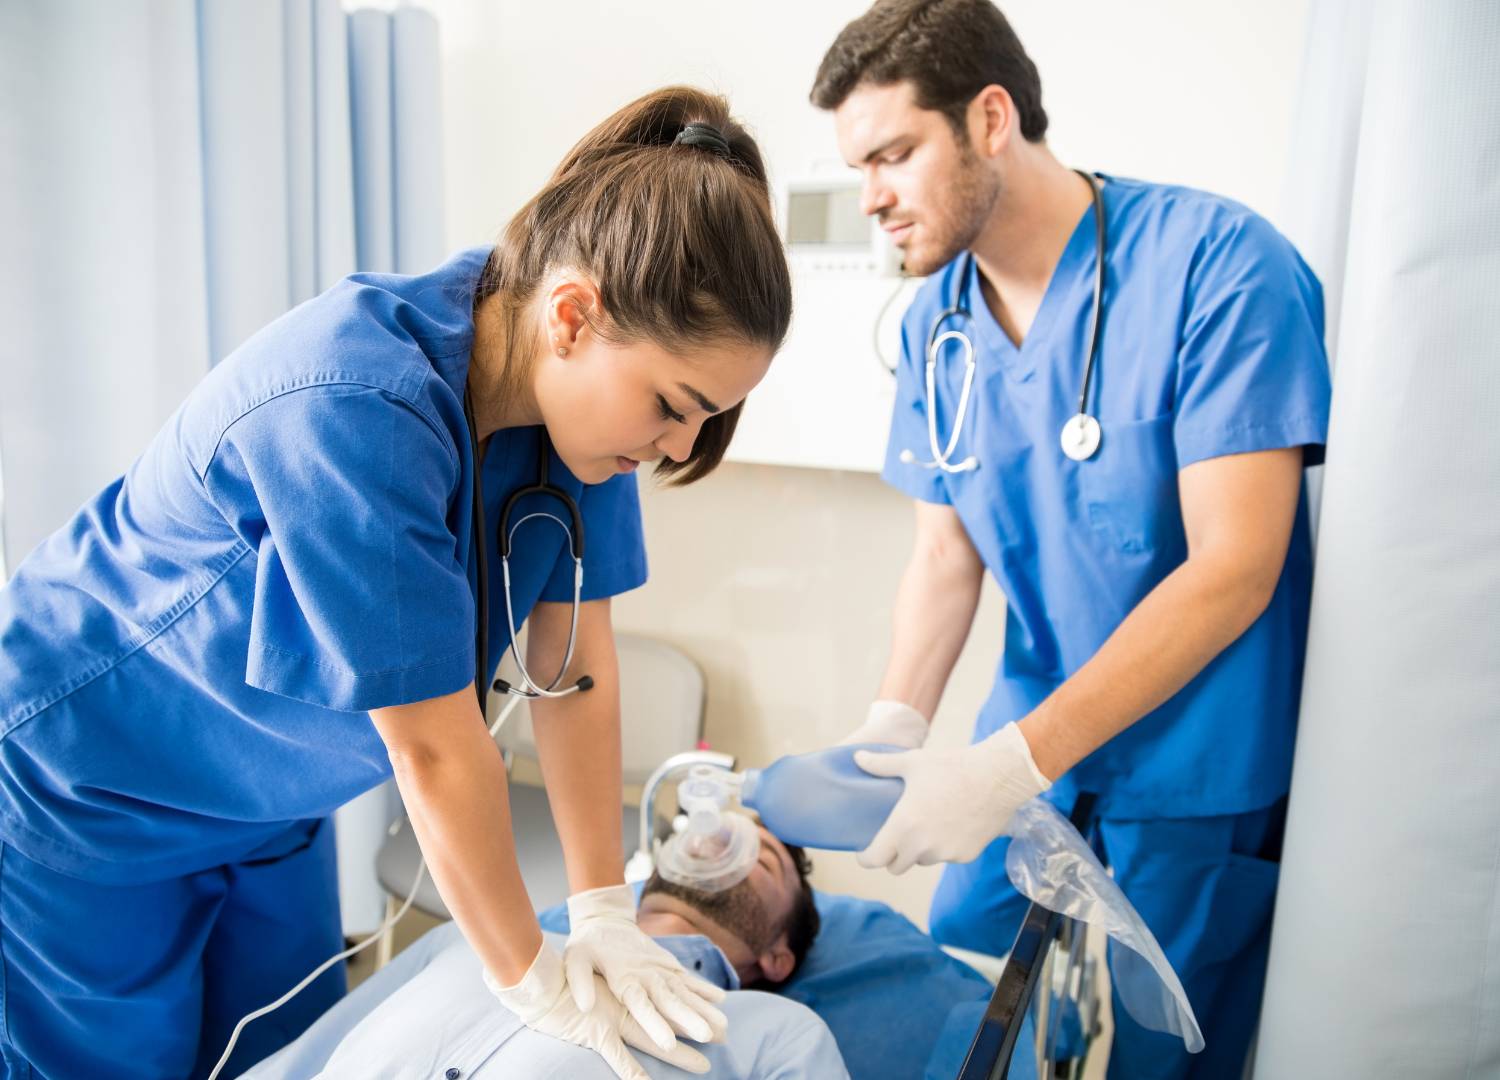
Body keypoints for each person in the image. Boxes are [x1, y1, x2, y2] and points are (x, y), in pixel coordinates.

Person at [0, 86, 791, 1080]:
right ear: (574, 316)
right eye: (675, 408)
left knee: (288, 1061)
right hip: (93, 788)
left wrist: (602, 908)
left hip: (268, 806)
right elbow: (432, 747)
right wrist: (531, 975)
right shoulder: (351, 400)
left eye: (705, 421)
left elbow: (576, 667)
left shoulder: (587, 434)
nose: (678, 446)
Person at [811, 2, 1331, 1076]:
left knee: (1161, 1055)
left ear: (990, 117)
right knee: (959, 1007)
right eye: (859, 167)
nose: (871, 199)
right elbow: (946, 556)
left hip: (1192, 772)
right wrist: (894, 727)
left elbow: (1237, 568)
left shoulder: (1219, 266)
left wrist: (1011, 761)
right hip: (1036, 755)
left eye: (894, 155)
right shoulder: (935, 326)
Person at [245, 826, 840, 1079]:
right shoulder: (473, 937)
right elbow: (299, 1061)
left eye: (761, 859)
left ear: (779, 956)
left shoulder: (778, 1031)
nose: (719, 841)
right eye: (713, 834)